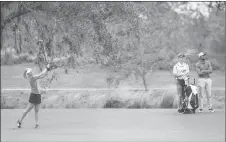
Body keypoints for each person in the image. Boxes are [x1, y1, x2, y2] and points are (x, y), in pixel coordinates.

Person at [17, 64, 51, 128]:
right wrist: (47, 68)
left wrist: (47, 71)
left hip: (38, 95)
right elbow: (41, 74)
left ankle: (37, 124)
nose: (32, 72)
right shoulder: (32, 78)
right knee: (28, 110)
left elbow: (42, 76)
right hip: (33, 96)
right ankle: (19, 121)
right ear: (29, 74)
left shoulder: (32, 77)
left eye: (31, 71)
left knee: (36, 110)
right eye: (30, 72)